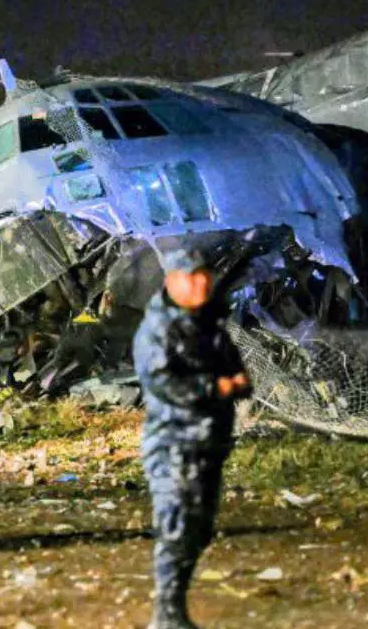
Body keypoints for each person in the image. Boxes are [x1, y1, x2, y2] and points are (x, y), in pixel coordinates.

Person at [133, 248, 250, 629]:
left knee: (198, 528)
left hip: (208, 441)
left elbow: (233, 366)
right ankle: (166, 613)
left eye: (205, 276)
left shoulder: (207, 323)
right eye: (191, 276)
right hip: (175, 443)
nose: (201, 284)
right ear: (171, 282)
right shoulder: (159, 330)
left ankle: (175, 607)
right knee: (177, 525)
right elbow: (164, 383)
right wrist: (215, 387)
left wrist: (235, 381)